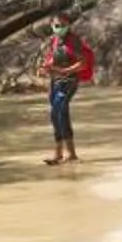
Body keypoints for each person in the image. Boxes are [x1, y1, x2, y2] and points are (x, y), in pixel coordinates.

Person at [40, 15, 95, 165]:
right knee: (54, 114)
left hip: (69, 80)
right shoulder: (55, 40)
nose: (59, 28)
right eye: (57, 25)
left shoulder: (74, 41)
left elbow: (82, 63)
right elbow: (54, 58)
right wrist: (47, 67)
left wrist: (65, 71)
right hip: (55, 80)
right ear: (51, 25)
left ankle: (71, 154)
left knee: (61, 110)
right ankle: (58, 153)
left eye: (63, 25)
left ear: (69, 25)